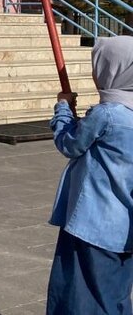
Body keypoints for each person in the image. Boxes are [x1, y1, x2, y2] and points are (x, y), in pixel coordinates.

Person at [46, 37, 133, 314]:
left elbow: (69, 143)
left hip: (92, 223)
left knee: (79, 295)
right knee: (114, 294)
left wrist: (62, 109)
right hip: (124, 228)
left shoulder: (107, 115)